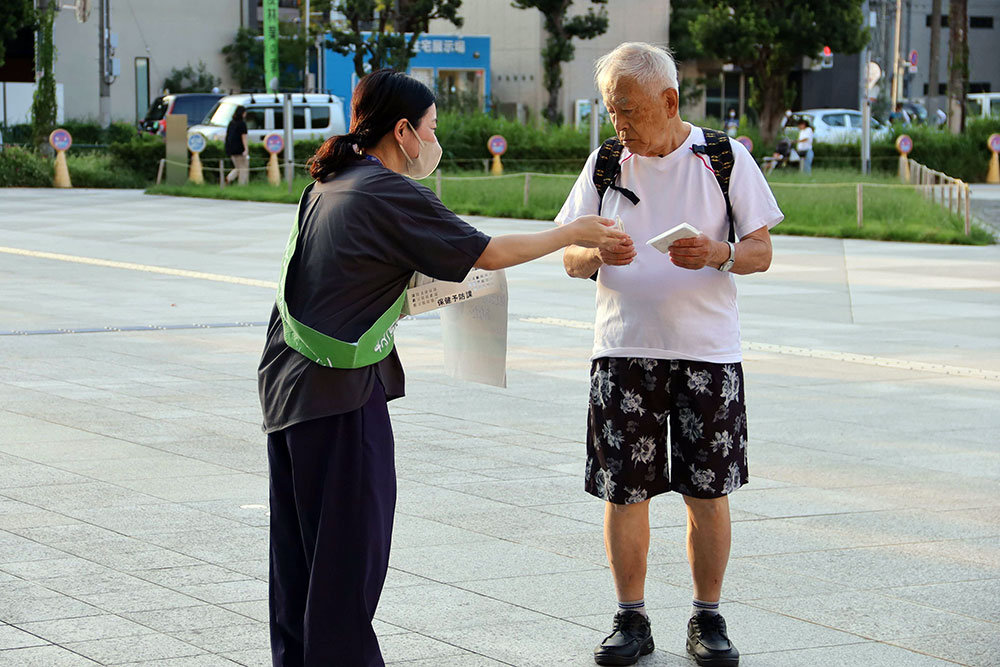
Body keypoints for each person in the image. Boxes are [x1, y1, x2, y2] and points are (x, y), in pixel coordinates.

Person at [257, 68, 628, 667]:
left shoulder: (332, 180)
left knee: (299, 560)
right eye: (431, 128)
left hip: (289, 390)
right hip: (338, 400)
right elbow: (488, 252)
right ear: (403, 131)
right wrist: (571, 233)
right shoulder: (386, 191)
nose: (434, 140)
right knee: (348, 561)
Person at [557, 43, 783, 667]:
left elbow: (761, 251)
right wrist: (596, 254)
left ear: (669, 101)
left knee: (707, 491)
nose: (618, 124)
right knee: (623, 491)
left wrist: (718, 253)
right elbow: (570, 254)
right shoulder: (606, 163)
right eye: (610, 111)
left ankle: (707, 618)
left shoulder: (724, 157)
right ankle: (631, 619)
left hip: (707, 354)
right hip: (622, 349)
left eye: (627, 110)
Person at [225, 105, 249, 185]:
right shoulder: (242, 124)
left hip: (230, 148)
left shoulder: (231, 123)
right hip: (239, 149)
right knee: (243, 168)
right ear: (242, 113)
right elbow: (244, 138)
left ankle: (229, 178)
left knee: (238, 167)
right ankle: (241, 185)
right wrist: (246, 149)